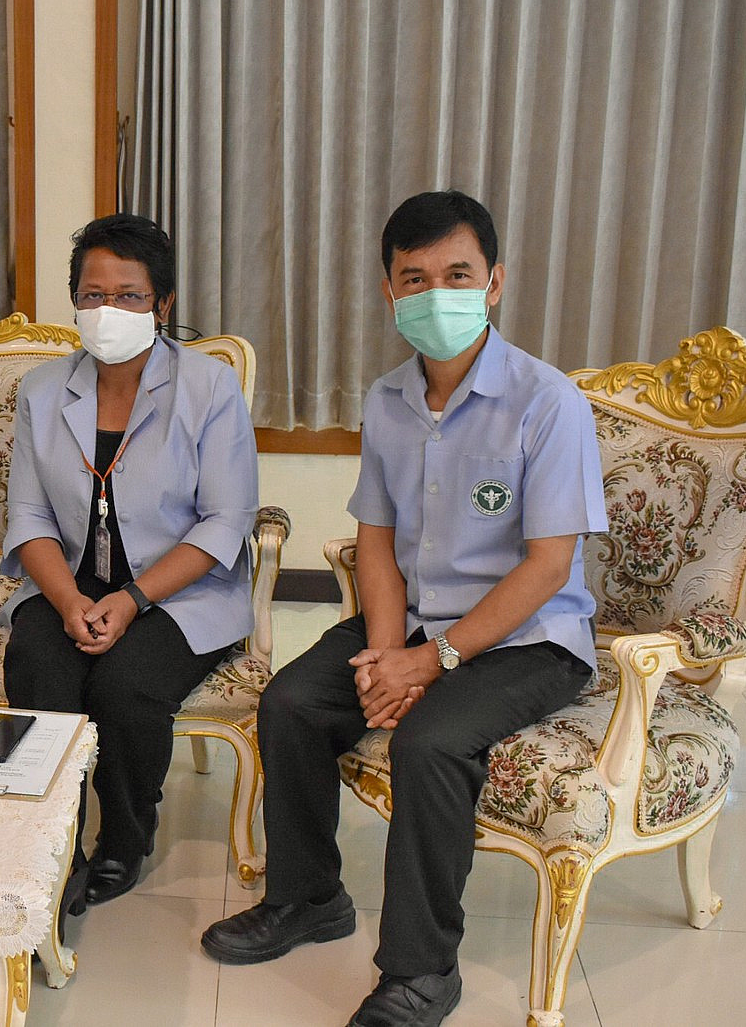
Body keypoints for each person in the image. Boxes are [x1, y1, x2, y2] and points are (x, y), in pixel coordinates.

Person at [201, 191, 607, 1027]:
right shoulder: (387, 399)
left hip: (530, 637)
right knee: (291, 703)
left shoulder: (547, 401)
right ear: (389, 291)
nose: (435, 295)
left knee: (430, 743)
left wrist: (432, 662)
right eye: (414, 279)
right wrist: (388, 654)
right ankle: (308, 898)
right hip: (417, 619)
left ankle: (422, 972)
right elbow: (377, 544)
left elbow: (547, 567)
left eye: (457, 275)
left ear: (494, 282)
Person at [1, 213, 260, 912]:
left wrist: (134, 599)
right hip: (72, 579)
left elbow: (226, 520)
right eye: (93, 294)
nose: (107, 310)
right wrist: (67, 602)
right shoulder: (43, 391)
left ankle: (123, 838)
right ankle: (52, 842)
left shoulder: (208, 389)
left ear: (162, 304)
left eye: (129, 295)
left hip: (179, 588)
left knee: (125, 683)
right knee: (40, 665)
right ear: (74, 300)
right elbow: (29, 517)